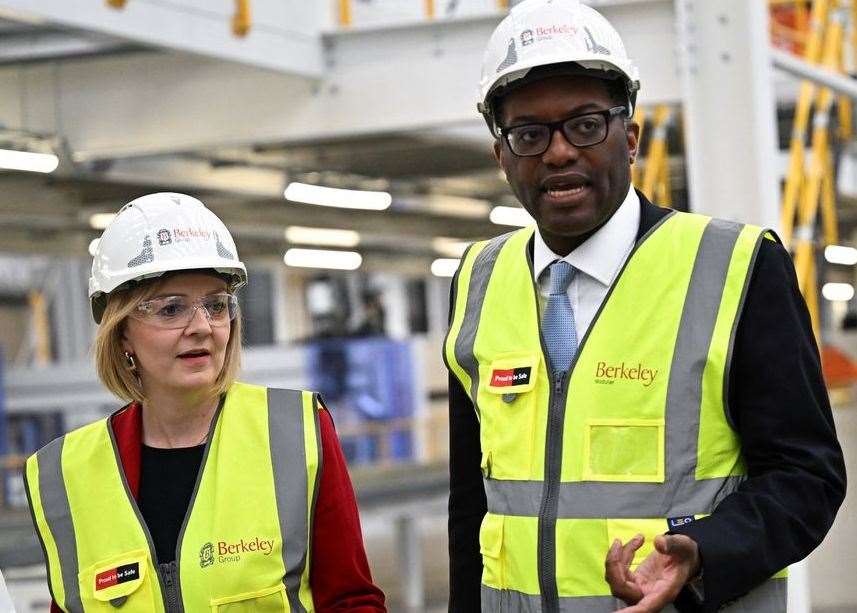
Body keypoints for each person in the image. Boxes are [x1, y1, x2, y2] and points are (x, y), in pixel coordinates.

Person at [444, 1, 846, 612]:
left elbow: (806, 475)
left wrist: (705, 550)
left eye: (584, 125)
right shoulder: (478, 279)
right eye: (529, 134)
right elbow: (472, 499)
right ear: (502, 156)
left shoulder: (737, 267)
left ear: (628, 138)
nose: (557, 153)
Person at [24, 193, 386, 612]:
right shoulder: (66, 475)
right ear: (122, 332)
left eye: (216, 305)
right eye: (171, 308)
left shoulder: (296, 433)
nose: (202, 327)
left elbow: (352, 600)